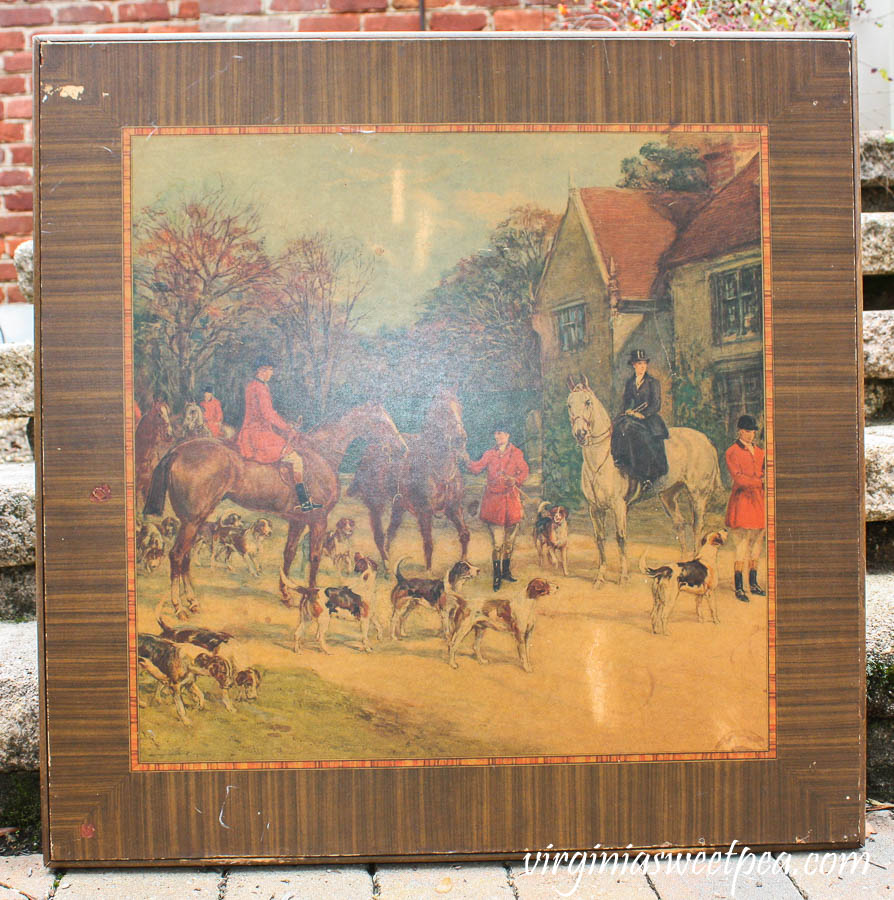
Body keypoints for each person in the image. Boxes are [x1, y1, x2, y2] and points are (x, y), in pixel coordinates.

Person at [236, 357, 321, 513]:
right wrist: (288, 428)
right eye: (270, 370)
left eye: (272, 370)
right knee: (296, 459)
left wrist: (284, 424)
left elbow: (267, 413)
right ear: (261, 370)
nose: (272, 373)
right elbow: (268, 413)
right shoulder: (260, 388)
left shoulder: (253, 385)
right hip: (259, 434)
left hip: (252, 431)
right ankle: (302, 501)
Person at [463, 426, 530, 592]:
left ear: (508, 435)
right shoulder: (489, 454)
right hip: (494, 504)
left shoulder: (516, 453)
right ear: (494, 435)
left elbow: (524, 471)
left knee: (509, 544)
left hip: (512, 503)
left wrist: (516, 480)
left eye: (503, 433)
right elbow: (476, 468)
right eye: (497, 433)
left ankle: (506, 572)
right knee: (498, 544)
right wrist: (465, 460)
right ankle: (497, 575)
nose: (499, 436)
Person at [610, 349, 669, 503]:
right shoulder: (630, 383)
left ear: (646, 365)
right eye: (638, 364)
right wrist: (625, 411)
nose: (641, 366)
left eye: (643, 364)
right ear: (634, 366)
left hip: (648, 419)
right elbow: (625, 401)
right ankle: (620, 460)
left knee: (634, 432)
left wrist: (642, 415)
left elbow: (656, 404)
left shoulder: (652, 383)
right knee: (618, 426)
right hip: (633, 417)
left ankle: (645, 474)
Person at [725, 414, 766, 603]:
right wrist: (760, 481)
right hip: (742, 501)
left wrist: (762, 481)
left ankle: (754, 582)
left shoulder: (761, 452)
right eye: (748, 431)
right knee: (742, 543)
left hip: (759, 501)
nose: (751, 435)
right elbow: (739, 478)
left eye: (753, 432)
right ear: (740, 431)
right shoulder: (732, 452)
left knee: (757, 542)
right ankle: (739, 586)